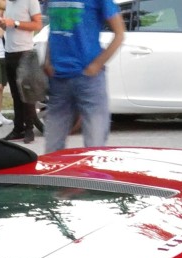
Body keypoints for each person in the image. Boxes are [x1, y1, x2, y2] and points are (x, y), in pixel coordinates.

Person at [42, 0, 126, 154]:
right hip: (58, 79)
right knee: (52, 150)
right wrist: (48, 60)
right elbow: (54, 29)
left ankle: (93, 179)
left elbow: (120, 33)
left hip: (89, 80)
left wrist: (96, 65)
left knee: (94, 148)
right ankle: (54, 178)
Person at [0, 0, 44, 143]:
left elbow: (37, 24)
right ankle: (18, 128)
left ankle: (29, 129)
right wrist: (4, 24)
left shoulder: (30, 1)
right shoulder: (9, 4)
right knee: (15, 95)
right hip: (9, 52)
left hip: (24, 52)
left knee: (27, 93)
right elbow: (11, 25)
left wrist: (16, 23)